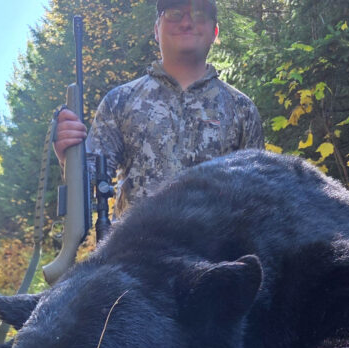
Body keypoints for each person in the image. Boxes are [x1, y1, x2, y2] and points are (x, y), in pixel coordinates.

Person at [54, 0, 263, 213]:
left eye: (199, 15)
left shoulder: (242, 109)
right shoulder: (119, 101)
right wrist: (68, 156)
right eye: (174, 14)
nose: (186, 23)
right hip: (138, 236)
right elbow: (89, 186)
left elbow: (258, 198)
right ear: (156, 29)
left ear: (214, 32)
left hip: (216, 236)